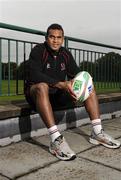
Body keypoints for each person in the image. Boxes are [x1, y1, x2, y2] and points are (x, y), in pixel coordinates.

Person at [25, 23, 120, 161]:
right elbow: (34, 75)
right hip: (36, 95)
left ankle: (97, 132)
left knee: (89, 86)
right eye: (52, 37)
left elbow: (76, 74)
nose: (55, 40)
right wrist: (61, 84)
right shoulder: (38, 50)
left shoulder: (65, 53)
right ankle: (56, 140)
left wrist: (81, 83)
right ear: (46, 38)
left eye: (59, 37)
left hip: (57, 94)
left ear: (63, 39)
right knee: (42, 86)